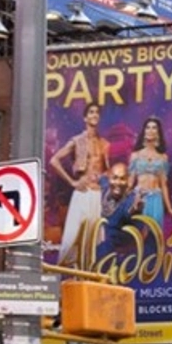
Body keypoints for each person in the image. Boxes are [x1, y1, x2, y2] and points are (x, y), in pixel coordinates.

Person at [50, 101, 110, 268]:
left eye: (97, 112)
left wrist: (105, 177)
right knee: (74, 235)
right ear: (85, 117)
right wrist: (72, 182)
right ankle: (70, 273)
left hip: (97, 194)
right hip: (82, 192)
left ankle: (87, 273)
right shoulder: (77, 140)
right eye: (91, 112)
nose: (94, 115)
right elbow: (54, 160)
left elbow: (107, 170)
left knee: (93, 237)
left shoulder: (104, 143)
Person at [130, 117, 172, 226]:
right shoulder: (135, 155)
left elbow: (164, 185)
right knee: (139, 234)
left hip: (156, 200)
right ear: (144, 131)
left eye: (154, 128)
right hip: (139, 198)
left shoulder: (162, 157)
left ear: (158, 132)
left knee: (154, 234)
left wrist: (170, 209)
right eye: (148, 127)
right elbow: (130, 182)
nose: (150, 130)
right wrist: (126, 201)